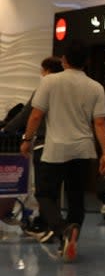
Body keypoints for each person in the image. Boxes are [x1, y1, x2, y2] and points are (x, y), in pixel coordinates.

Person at [18, 45, 105, 259]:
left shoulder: (49, 81)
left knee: (45, 194)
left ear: (64, 60)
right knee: (76, 197)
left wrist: (27, 139)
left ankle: (62, 230)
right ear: (86, 62)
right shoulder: (96, 87)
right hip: (84, 150)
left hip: (55, 148)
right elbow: (100, 123)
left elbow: (36, 115)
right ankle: (71, 233)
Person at [4, 57, 65, 235]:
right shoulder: (68, 87)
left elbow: (30, 113)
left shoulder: (45, 86)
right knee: (55, 189)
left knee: (43, 190)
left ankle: (50, 226)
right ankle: (54, 223)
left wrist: (9, 129)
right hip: (67, 146)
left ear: (46, 70)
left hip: (44, 143)